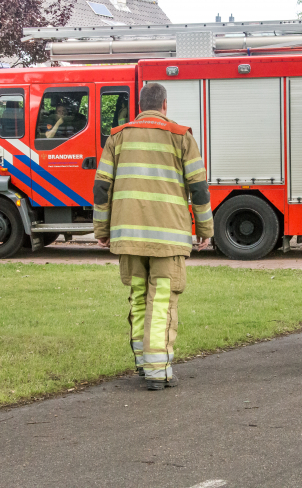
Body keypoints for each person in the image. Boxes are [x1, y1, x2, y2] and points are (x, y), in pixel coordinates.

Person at [93, 82, 213, 391]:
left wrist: (102, 230)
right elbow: (198, 188)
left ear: (140, 106)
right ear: (164, 106)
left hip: (128, 236)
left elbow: (101, 187)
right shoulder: (180, 136)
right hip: (168, 236)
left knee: (138, 296)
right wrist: (204, 230)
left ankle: (142, 362)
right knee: (161, 299)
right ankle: (158, 368)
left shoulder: (117, 137)